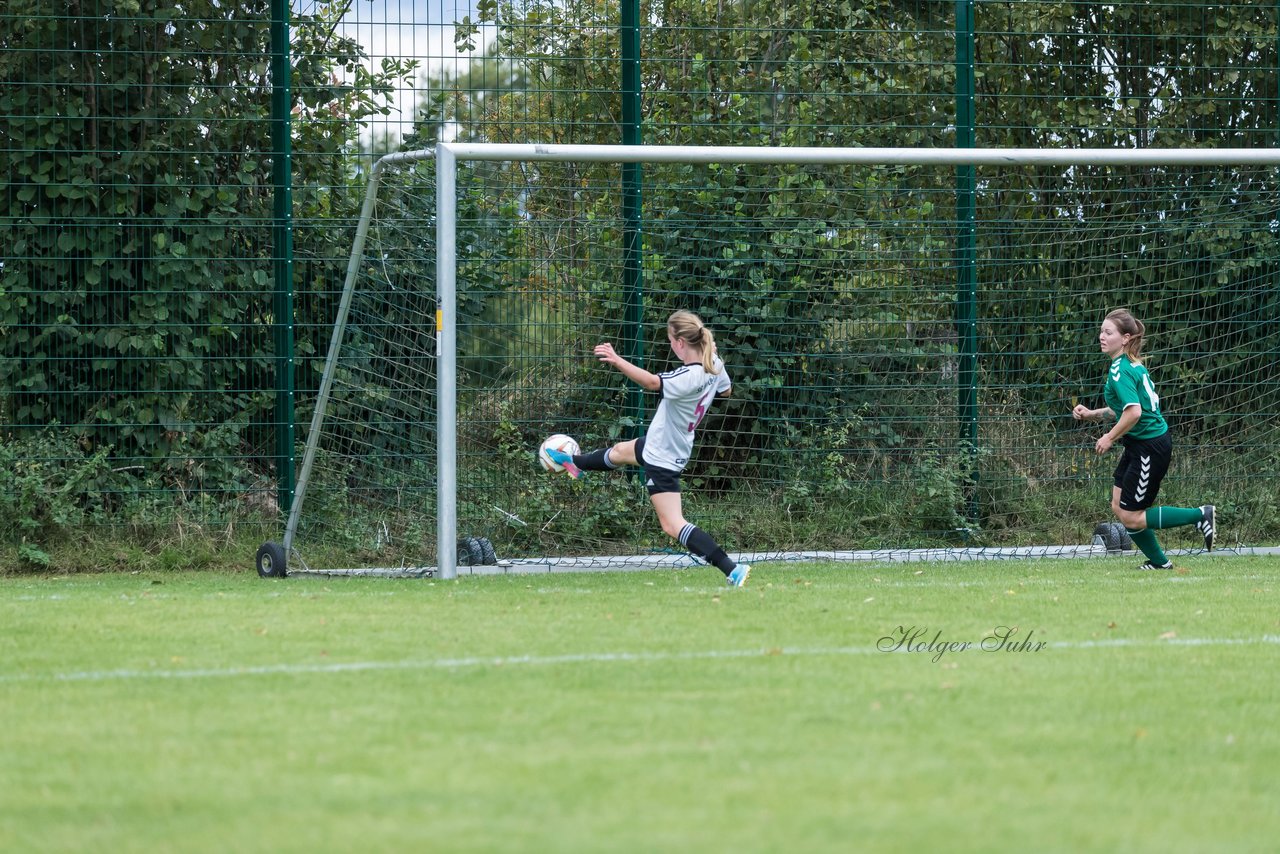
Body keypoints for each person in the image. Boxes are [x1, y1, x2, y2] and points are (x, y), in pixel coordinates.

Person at [544, 310, 751, 587]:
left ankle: (732, 569)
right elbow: (725, 392)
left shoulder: (690, 374)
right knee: (619, 452)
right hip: (664, 443)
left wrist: (617, 360)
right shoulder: (713, 362)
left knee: (672, 524)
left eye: (670, 341)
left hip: (663, 455)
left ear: (679, 342)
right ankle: (573, 461)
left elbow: (653, 383)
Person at [1071, 308, 1215, 570]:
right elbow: (1124, 409)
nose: (1101, 336)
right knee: (1119, 506)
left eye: (1108, 332)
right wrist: (1091, 414)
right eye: (1101, 331)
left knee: (1133, 517)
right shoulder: (1128, 364)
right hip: (1138, 445)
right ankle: (1160, 563)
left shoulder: (1121, 370)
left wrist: (1110, 437)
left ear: (1125, 338)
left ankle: (1199, 515)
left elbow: (1134, 413)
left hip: (1150, 447)